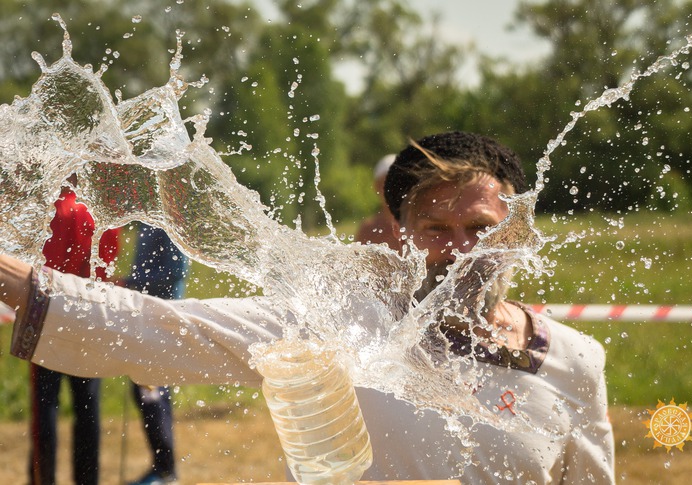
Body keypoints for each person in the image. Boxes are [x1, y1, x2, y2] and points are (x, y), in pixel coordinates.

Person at [1, 131, 615, 484]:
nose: (458, 252)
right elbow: (157, 329)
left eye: (479, 228)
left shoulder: (575, 361)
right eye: (435, 227)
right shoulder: (340, 324)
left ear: (514, 233)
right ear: (400, 232)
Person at [30, 183, 120, 485]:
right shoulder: (102, 210)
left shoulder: (52, 207)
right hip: (90, 314)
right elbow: (106, 267)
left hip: (48, 315)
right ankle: (87, 479)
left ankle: (43, 479)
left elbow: (42, 266)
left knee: (45, 405)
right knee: (87, 406)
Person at [123, 224, 188, 485]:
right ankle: (160, 466)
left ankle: (165, 471)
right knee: (144, 393)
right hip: (145, 320)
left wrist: (130, 283)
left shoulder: (170, 226)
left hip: (163, 320)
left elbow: (175, 272)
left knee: (154, 395)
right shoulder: (146, 226)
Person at [355, 154, 401, 250]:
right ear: (376, 187)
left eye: (398, 183)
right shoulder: (368, 231)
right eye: (387, 184)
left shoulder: (421, 225)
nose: (393, 189)